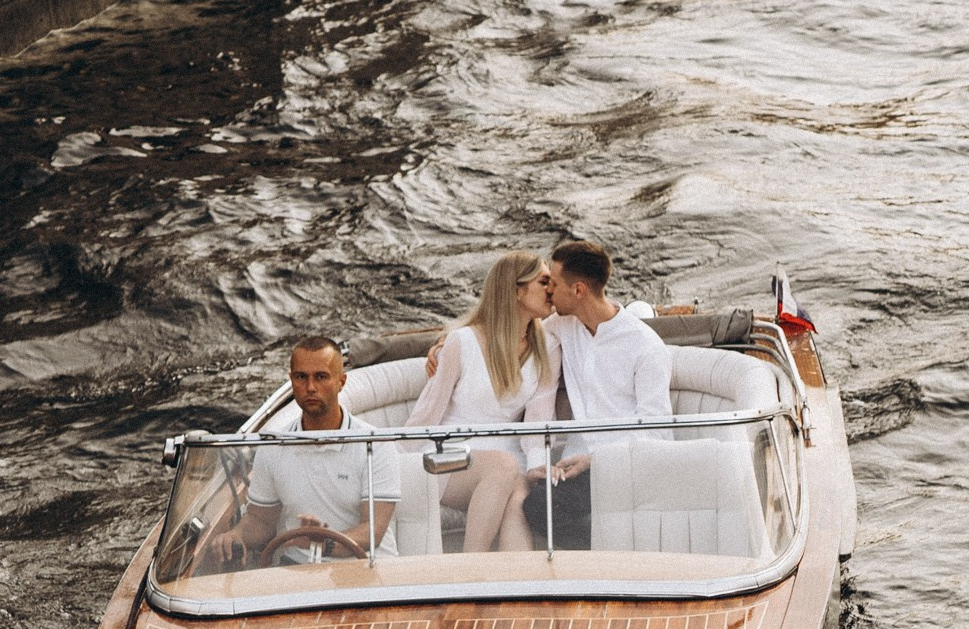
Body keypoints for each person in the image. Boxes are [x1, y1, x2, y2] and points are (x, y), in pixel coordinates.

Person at [405, 250, 561, 552]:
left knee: (519, 496)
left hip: (508, 454)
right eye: (543, 282)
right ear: (516, 290)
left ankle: (520, 580)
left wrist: (538, 467)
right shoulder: (461, 342)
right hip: (450, 455)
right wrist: (395, 464)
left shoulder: (548, 346)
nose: (551, 290)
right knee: (502, 468)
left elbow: (539, 418)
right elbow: (428, 413)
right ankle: (469, 568)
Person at [522, 238, 672, 547]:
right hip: (574, 467)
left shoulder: (646, 346)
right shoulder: (563, 325)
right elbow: (511, 328)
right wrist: (445, 342)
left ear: (578, 291)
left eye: (554, 284)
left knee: (540, 506)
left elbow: (658, 433)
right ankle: (600, 551)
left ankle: (604, 554)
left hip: (626, 466)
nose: (549, 292)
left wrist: (597, 460)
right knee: (534, 502)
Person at [237, 335, 399, 561]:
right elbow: (261, 520)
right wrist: (236, 535)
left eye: (321, 377)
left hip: (368, 568)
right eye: (301, 377)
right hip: (299, 568)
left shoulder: (376, 444)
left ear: (341, 382)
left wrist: (322, 544)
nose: (310, 387)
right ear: (291, 380)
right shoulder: (273, 445)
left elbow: (372, 531)